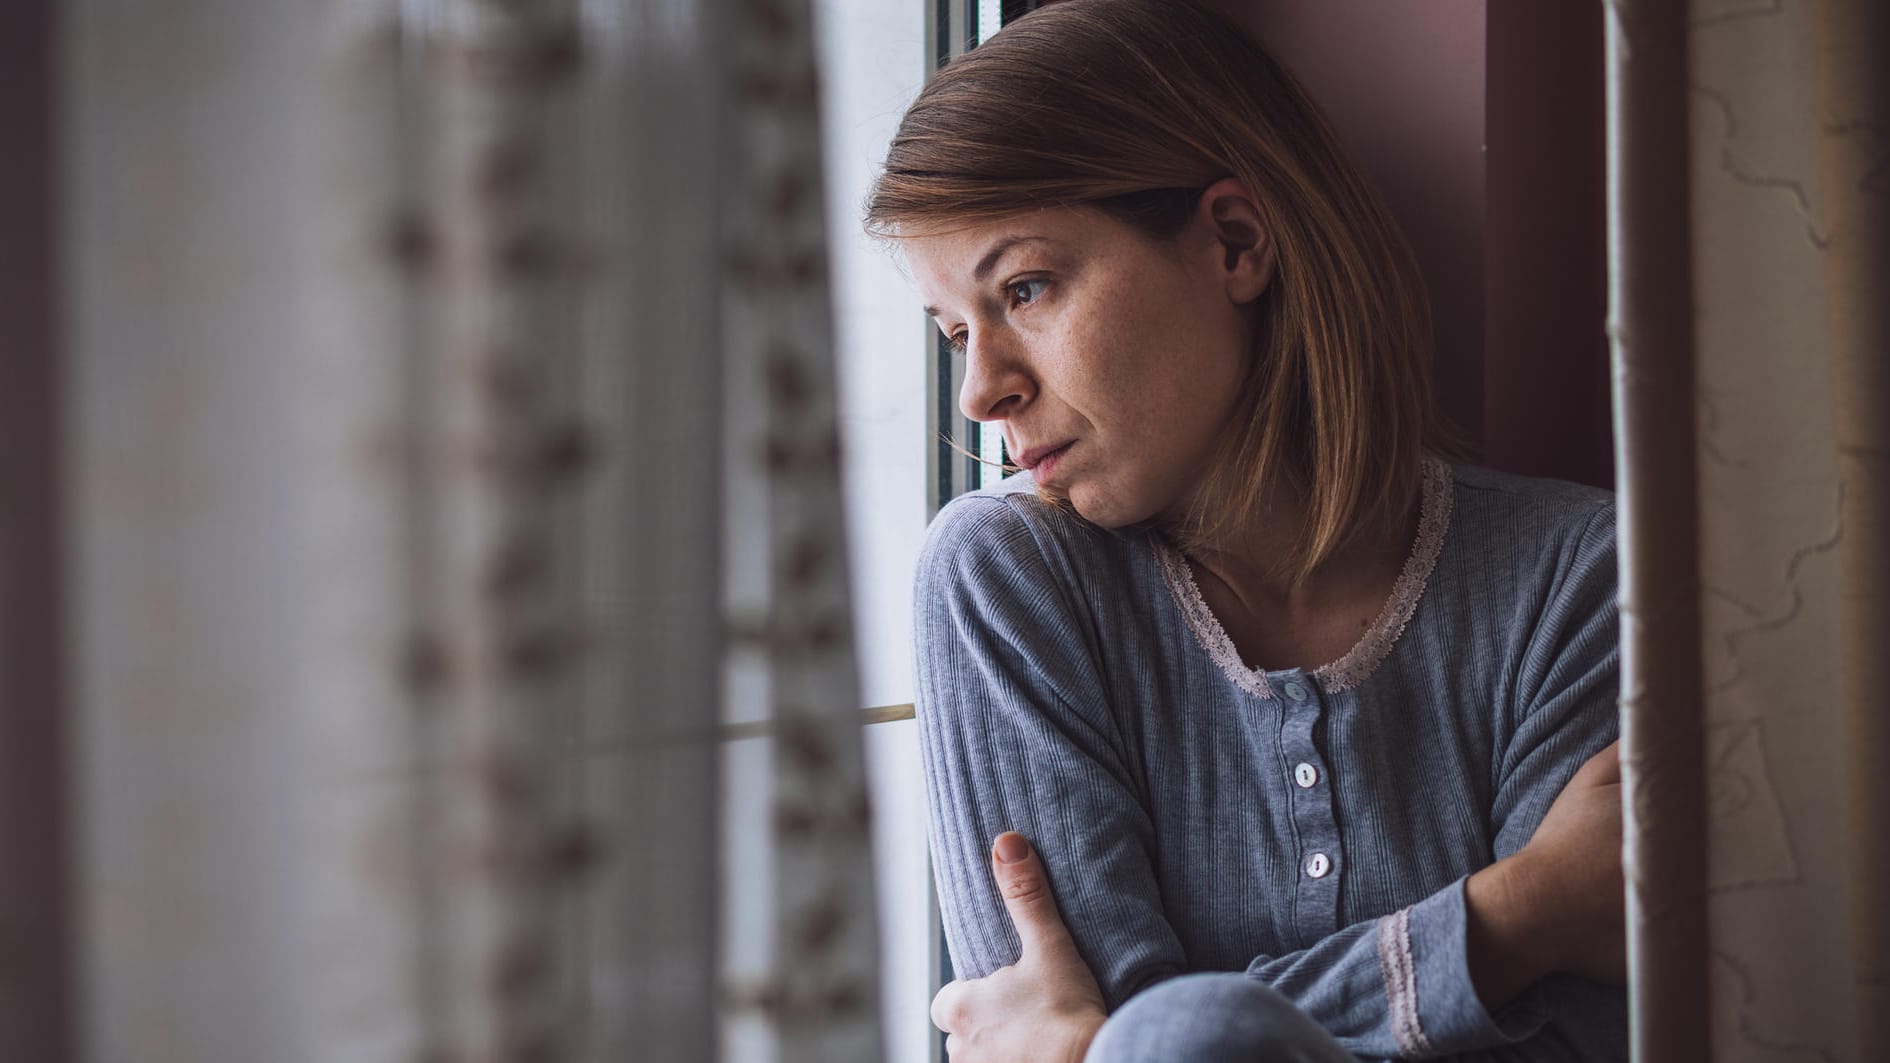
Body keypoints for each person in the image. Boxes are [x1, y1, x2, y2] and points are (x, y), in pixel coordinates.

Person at [868, 1, 1627, 1060]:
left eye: (1024, 288)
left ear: (1234, 242)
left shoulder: (1579, 580)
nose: (979, 392)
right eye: (954, 332)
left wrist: (1114, 1041)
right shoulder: (1004, 582)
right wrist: (1517, 914)